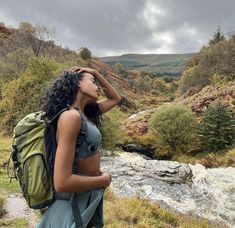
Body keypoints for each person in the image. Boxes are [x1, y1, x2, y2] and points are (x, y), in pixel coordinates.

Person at [36, 66, 122, 228]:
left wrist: (96, 73)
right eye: (93, 82)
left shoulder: (86, 114)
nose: (98, 87)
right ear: (78, 85)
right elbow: (62, 182)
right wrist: (103, 180)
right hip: (72, 203)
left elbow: (115, 99)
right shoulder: (71, 117)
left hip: (85, 199)